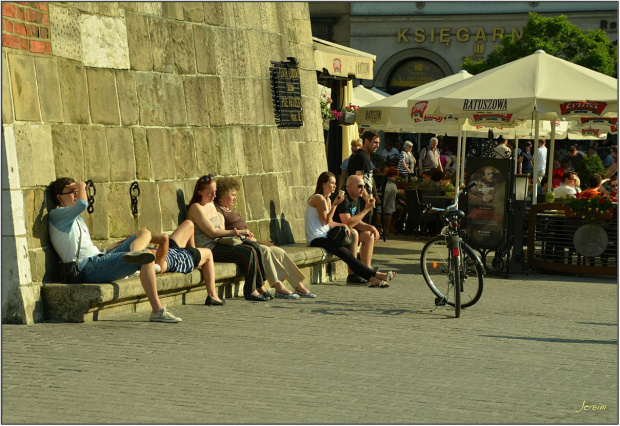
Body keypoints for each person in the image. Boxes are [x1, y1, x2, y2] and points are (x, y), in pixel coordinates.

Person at [48, 177, 182, 323]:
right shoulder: (57, 215)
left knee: (144, 233)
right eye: (72, 192)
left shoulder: (77, 220)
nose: (76, 194)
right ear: (59, 197)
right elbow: (82, 204)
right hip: (87, 268)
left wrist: (105, 250)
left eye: (77, 192)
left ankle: (134, 252)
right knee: (147, 258)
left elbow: (83, 248)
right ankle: (158, 311)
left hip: (98, 258)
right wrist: (81, 186)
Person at [214, 177, 316, 298]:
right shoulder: (218, 211)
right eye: (232, 195)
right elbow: (224, 234)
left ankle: (298, 286)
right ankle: (278, 287)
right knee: (266, 251)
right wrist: (245, 238)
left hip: (250, 241)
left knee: (280, 252)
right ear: (222, 194)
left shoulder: (228, 208)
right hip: (241, 245)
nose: (235, 198)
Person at [186, 174, 271, 302]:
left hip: (220, 243)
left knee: (255, 246)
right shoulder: (196, 208)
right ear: (200, 192)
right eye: (209, 193)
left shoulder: (211, 205)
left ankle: (260, 286)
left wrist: (240, 234)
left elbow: (220, 228)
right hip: (209, 248)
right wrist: (236, 232)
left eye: (214, 192)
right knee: (248, 252)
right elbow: (212, 233)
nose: (214, 196)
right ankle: (250, 290)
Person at [305, 172, 396, 288]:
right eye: (332, 183)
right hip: (316, 238)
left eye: (335, 183)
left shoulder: (327, 200)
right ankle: (376, 275)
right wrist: (335, 206)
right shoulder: (318, 198)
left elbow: (330, 222)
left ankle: (373, 279)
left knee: (348, 255)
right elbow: (325, 221)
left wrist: (343, 225)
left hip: (324, 235)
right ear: (323, 184)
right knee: (347, 255)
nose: (334, 186)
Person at [147, 220, 223, 306]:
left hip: (170, 250)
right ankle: (212, 295)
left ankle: (196, 252)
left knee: (189, 224)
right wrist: (141, 238)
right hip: (183, 257)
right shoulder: (159, 265)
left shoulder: (144, 252)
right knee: (208, 253)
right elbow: (164, 238)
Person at [334, 174, 380, 284]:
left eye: (364, 186)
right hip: (334, 232)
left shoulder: (356, 198)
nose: (363, 189)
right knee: (354, 233)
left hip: (345, 232)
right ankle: (352, 274)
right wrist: (366, 210)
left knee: (368, 234)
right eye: (360, 186)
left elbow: (356, 221)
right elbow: (348, 222)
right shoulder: (343, 199)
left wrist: (371, 227)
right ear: (349, 186)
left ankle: (366, 270)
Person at [348, 130, 381, 222]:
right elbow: (359, 179)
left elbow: (369, 178)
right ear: (366, 141)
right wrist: (368, 199)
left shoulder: (358, 155)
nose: (377, 145)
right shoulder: (363, 156)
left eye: (378, 143)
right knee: (364, 229)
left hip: (358, 198)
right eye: (375, 142)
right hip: (362, 200)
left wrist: (374, 194)